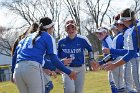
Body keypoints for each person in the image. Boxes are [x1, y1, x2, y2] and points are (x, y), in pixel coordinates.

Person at [12, 17, 77, 93]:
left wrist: (12, 72)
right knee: (48, 85)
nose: (53, 30)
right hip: (32, 68)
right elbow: (54, 59)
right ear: (50, 28)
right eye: (53, 27)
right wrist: (69, 72)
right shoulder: (47, 36)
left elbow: (14, 57)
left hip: (17, 70)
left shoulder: (26, 37)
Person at [103, 8, 140, 93]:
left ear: (125, 20)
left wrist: (114, 65)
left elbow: (130, 53)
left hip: (136, 61)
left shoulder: (130, 32)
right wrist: (111, 51)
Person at [57, 19, 96, 93]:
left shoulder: (82, 39)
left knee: (78, 91)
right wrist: (61, 64)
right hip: (67, 68)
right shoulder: (61, 42)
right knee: (70, 90)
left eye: (72, 26)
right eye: (68, 27)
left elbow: (90, 49)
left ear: (76, 28)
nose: (71, 29)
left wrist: (91, 59)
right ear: (65, 29)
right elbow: (57, 56)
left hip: (80, 68)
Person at [95, 27, 118, 93]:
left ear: (106, 33)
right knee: (112, 81)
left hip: (115, 62)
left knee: (116, 82)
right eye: (97, 33)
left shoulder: (108, 39)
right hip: (111, 62)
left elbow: (113, 54)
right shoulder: (104, 40)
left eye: (100, 33)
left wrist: (102, 62)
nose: (98, 35)